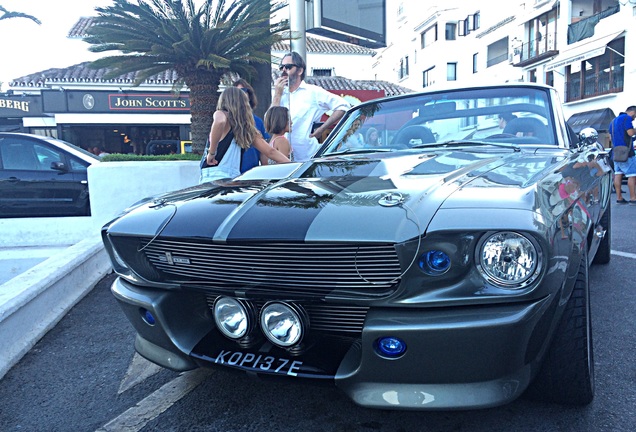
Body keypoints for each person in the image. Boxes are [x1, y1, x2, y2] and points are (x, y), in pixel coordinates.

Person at [271, 51, 351, 162]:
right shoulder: (279, 93)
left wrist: (322, 128)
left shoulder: (312, 92)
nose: (284, 71)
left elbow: (344, 106)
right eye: (281, 67)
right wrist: (277, 94)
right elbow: (270, 122)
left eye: (288, 67)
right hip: (282, 158)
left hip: (306, 157)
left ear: (300, 70)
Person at [200, 87, 290, 184]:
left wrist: (212, 153)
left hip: (213, 175)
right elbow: (270, 151)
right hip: (233, 178)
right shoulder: (247, 130)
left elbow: (219, 121)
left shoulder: (221, 114)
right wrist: (293, 165)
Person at [233, 78, 269, 172]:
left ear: (249, 95)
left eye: (244, 91)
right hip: (231, 174)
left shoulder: (258, 121)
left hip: (252, 174)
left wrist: (267, 173)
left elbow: (263, 151)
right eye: (237, 91)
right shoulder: (227, 120)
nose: (241, 94)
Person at [608, 106, 636, 204]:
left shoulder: (613, 121)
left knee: (618, 174)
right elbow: (630, 133)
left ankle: (619, 197)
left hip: (616, 152)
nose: (634, 118)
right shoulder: (627, 118)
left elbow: (610, 138)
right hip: (627, 152)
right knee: (632, 175)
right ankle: (633, 198)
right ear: (633, 112)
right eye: (635, 116)